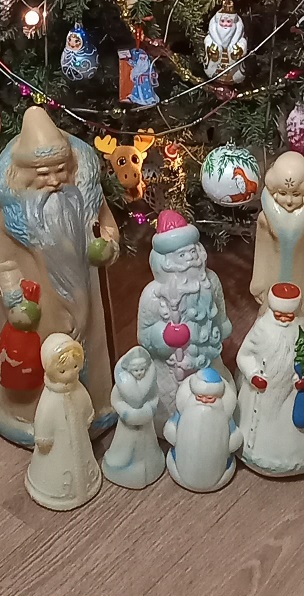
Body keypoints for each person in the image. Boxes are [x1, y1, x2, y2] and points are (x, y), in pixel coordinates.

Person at [0, 106, 118, 446]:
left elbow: (108, 226)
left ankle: (97, 405)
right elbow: (2, 260)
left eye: (61, 171)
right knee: (40, 362)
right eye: (44, 174)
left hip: (86, 296)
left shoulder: (86, 198)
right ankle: (32, 416)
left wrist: (108, 244)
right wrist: (14, 298)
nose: (55, 181)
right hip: (41, 306)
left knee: (92, 354)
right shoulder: (9, 213)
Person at [137, 210, 231, 426]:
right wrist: (164, 336)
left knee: (218, 406)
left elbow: (221, 314)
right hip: (171, 370)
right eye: (182, 255)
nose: (190, 258)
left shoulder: (211, 282)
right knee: (175, 411)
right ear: (166, 262)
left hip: (209, 361)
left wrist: (220, 328)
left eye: (192, 252)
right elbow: (144, 336)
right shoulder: (153, 295)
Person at [236, 283, 304, 477]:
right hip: (264, 393)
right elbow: (244, 355)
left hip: (295, 392)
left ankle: (300, 457)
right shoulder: (262, 328)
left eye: (289, 315)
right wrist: (253, 374)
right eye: (280, 315)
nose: (284, 319)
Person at [25, 335, 102, 510]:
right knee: (58, 463)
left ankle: (85, 485)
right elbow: (43, 417)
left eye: (74, 367)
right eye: (63, 371)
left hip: (79, 439)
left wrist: (88, 415)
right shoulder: (50, 399)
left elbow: (84, 401)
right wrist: (44, 437)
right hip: (57, 445)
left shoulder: (78, 388)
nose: (71, 373)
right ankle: (53, 491)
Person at [250, 152, 304, 336]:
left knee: (300, 317)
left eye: (296, 194)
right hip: (271, 277)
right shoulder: (265, 219)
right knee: (268, 316)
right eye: (282, 193)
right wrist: (258, 281)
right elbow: (261, 251)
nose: (289, 201)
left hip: (299, 279)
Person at [164, 367, 242, 492]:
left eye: (210, 399)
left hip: (215, 462)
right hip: (184, 458)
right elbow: (171, 430)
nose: (204, 401)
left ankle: (214, 479)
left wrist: (232, 441)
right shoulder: (184, 412)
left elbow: (234, 439)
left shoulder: (224, 417)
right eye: (200, 397)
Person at [102, 347, 165, 489]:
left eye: (142, 369)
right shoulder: (121, 386)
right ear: (129, 370)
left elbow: (154, 397)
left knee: (148, 444)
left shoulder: (150, 385)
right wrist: (127, 413)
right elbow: (116, 400)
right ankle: (121, 467)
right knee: (125, 447)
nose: (140, 373)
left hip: (146, 423)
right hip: (127, 425)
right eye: (136, 370)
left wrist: (149, 409)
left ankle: (152, 465)